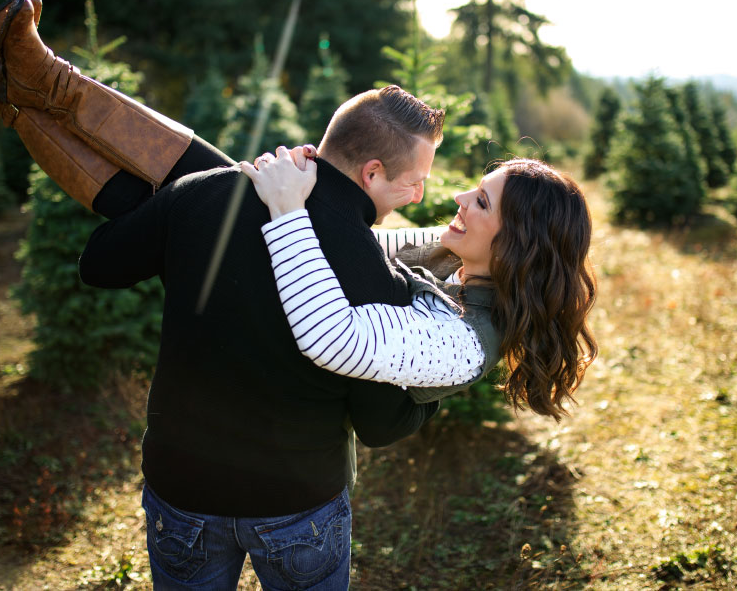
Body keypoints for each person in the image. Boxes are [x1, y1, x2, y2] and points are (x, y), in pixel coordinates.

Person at [0, 0, 443, 590]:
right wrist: (439, 380)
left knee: (197, 174)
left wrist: (183, 217)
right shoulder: (372, 270)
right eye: (417, 180)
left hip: (182, 488)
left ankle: (26, 95)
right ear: (372, 172)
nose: (421, 194)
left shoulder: (209, 191)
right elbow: (380, 425)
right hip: (296, 505)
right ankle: (23, 93)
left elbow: (100, 263)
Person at [241, 146, 598, 420]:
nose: (460, 199)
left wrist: (287, 209)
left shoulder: (464, 343)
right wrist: (316, 175)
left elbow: (333, 338)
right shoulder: (456, 252)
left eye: (482, 202)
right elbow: (354, 244)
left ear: (514, 246)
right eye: (474, 190)